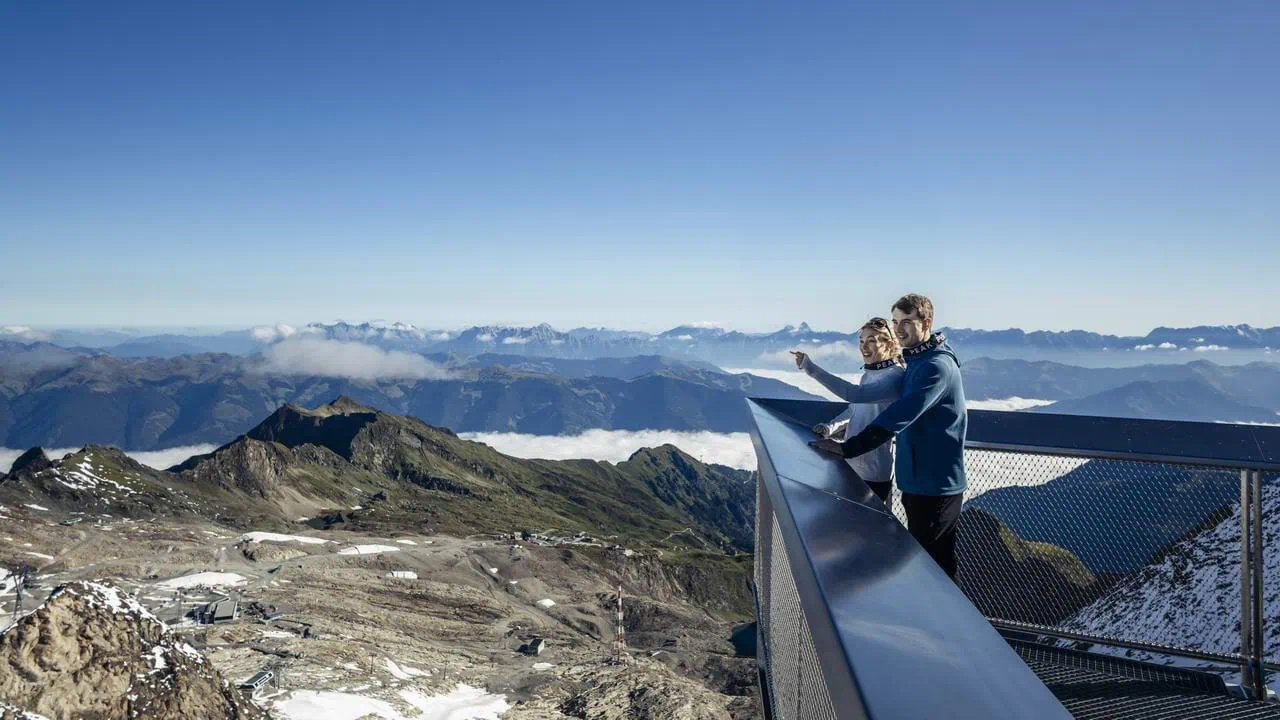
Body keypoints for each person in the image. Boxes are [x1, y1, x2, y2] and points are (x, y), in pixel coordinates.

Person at [810, 294, 967, 579]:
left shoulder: (935, 367)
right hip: (917, 479)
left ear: (926, 322)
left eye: (907, 322)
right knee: (930, 561)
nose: (899, 328)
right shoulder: (919, 362)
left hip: (935, 483)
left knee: (933, 567)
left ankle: (941, 622)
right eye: (896, 322)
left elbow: (898, 417)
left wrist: (848, 449)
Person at [789, 317, 905, 504]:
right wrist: (830, 428)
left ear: (889, 344)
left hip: (872, 473)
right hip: (852, 463)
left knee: (865, 529)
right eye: (861, 341)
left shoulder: (893, 377)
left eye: (872, 340)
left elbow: (853, 395)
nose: (864, 346)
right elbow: (855, 410)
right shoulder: (870, 375)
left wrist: (811, 369)